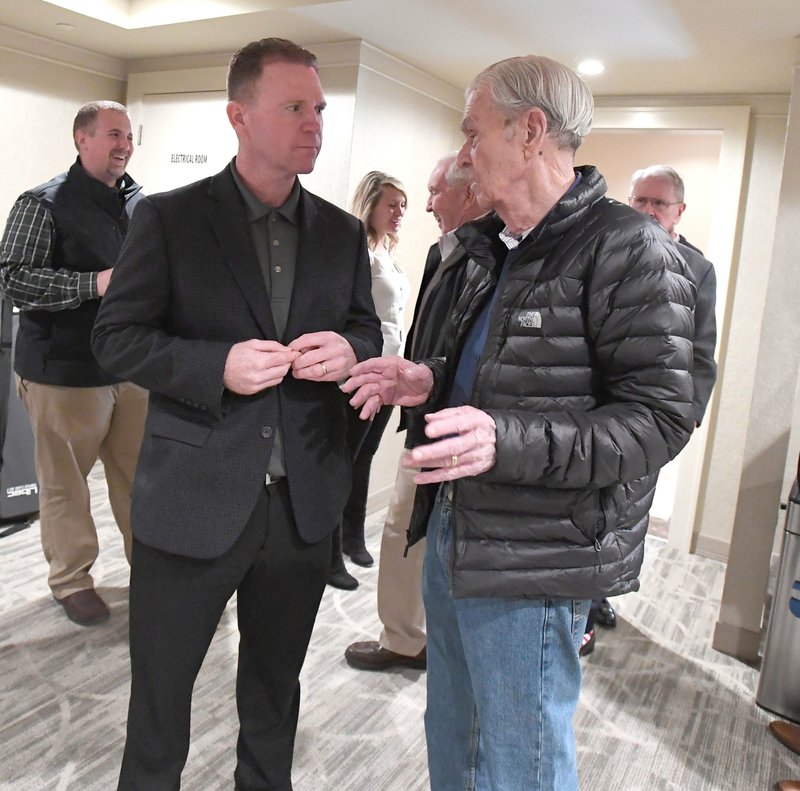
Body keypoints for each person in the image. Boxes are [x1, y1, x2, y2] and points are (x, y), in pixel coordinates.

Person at [344, 55, 696, 790]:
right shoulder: (494, 245)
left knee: (518, 760)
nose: (466, 151)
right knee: (456, 737)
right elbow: (494, 374)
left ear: (532, 130)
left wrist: (506, 441)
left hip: (536, 555)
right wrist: (427, 380)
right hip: (454, 530)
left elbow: (659, 419)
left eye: (474, 132)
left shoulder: (629, 249)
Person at [91, 38, 381, 789]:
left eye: (318, 108)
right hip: (191, 502)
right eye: (293, 107)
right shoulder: (168, 218)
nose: (314, 123)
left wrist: (349, 351)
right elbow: (116, 336)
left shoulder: (343, 234)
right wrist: (213, 365)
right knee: (159, 713)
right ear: (239, 115)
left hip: (299, 512)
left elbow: (364, 329)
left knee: (273, 701)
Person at [0, 101, 148, 627]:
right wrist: (95, 283)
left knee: (140, 479)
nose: (125, 145)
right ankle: (71, 580)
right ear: (81, 139)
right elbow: (14, 278)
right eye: (114, 134)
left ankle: (150, 574)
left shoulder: (138, 201)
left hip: (132, 369)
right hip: (64, 374)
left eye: (129, 136)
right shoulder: (41, 204)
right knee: (67, 484)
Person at [575, 164, 722, 657]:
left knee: (624, 514)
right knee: (582, 510)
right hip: (595, 411)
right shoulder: (606, 248)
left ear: (680, 211)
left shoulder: (697, 270)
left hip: (649, 418)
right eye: (640, 200)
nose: (648, 210)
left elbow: (701, 355)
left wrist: (688, 414)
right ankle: (582, 606)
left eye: (659, 203)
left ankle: (597, 598)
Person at [345, 152, 485, 670]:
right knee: (406, 525)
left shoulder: (496, 257)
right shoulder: (438, 252)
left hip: (459, 423)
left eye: (432, 193)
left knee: (412, 528)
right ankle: (407, 634)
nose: (424, 206)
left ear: (467, 195)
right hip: (423, 411)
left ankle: (409, 639)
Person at [328, 171, 410, 590]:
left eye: (402, 206)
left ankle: (351, 535)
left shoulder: (389, 255)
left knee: (364, 457)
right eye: (391, 204)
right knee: (343, 459)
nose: (398, 213)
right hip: (363, 372)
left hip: (389, 374)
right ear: (371, 205)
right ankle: (328, 553)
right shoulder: (357, 253)